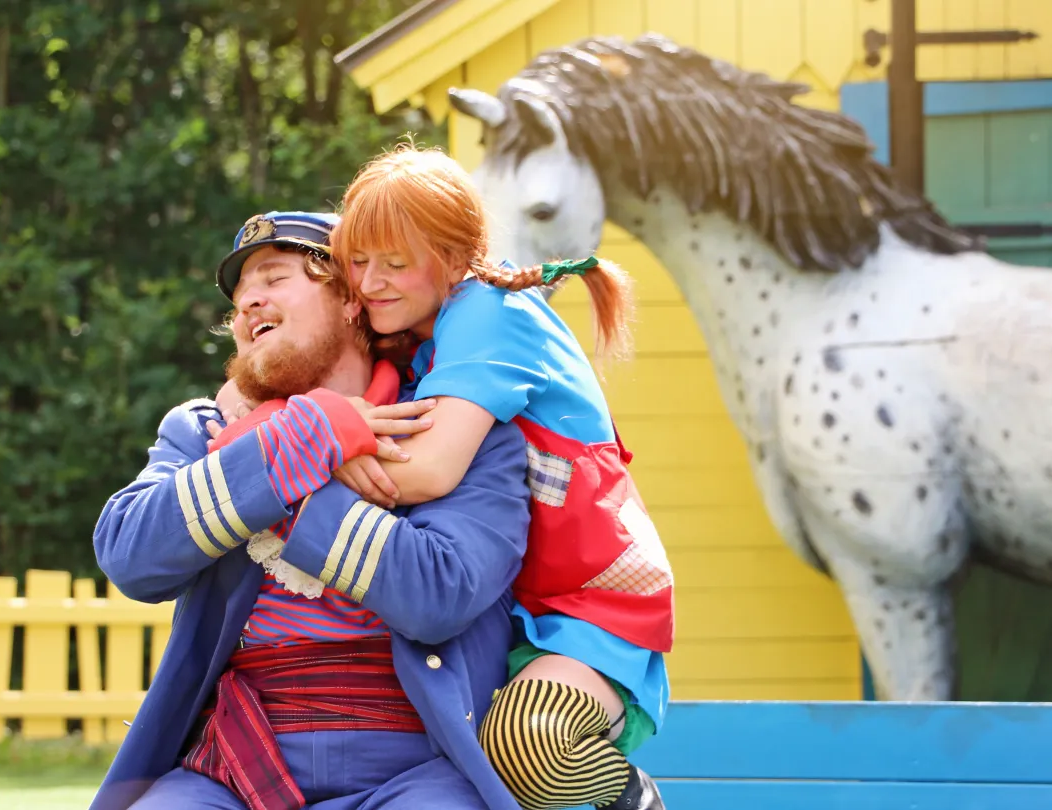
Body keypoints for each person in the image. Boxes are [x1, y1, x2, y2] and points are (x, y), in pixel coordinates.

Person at [89, 210, 536, 810]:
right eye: (241, 296)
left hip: (416, 767)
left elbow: (440, 594)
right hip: (232, 768)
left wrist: (287, 461)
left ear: (353, 300)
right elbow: (129, 556)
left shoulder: (454, 425)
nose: (249, 303)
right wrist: (297, 438)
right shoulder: (204, 431)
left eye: (274, 279)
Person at [326, 145, 672, 810]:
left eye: (395, 263)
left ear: (455, 260)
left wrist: (311, 442)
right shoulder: (423, 336)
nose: (369, 283)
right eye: (359, 262)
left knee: (526, 745)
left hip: (591, 605)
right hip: (505, 609)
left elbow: (426, 472)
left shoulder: (487, 315)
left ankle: (634, 798)